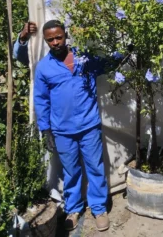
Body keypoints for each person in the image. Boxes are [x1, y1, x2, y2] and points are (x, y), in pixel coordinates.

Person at [34, 20, 110, 232]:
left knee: (95, 167)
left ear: (65, 35)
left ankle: (99, 208)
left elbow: (107, 65)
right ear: (46, 41)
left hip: (89, 125)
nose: (56, 42)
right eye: (50, 39)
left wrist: (124, 53)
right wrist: (46, 130)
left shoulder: (84, 58)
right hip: (62, 130)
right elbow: (41, 100)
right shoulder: (44, 68)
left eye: (59, 37)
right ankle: (74, 209)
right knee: (71, 171)